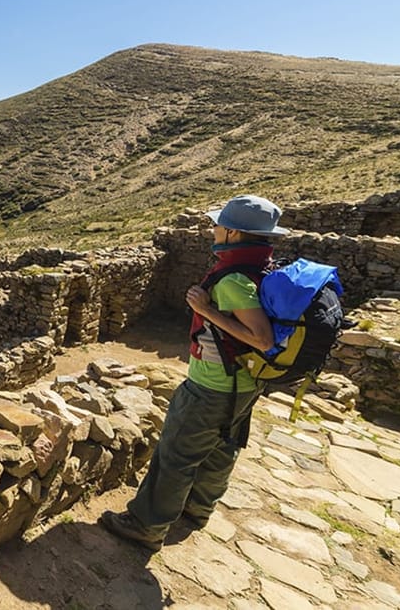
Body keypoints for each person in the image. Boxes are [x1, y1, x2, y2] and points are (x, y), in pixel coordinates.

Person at [99, 194, 289, 551]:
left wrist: (205, 308)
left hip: (213, 385)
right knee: (223, 447)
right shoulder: (264, 268)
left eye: (218, 224)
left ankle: (146, 525)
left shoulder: (233, 279)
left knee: (176, 454)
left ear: (233, 233)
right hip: (245, 381)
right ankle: (198, 509)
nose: (213, 229)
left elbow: (262, 338)